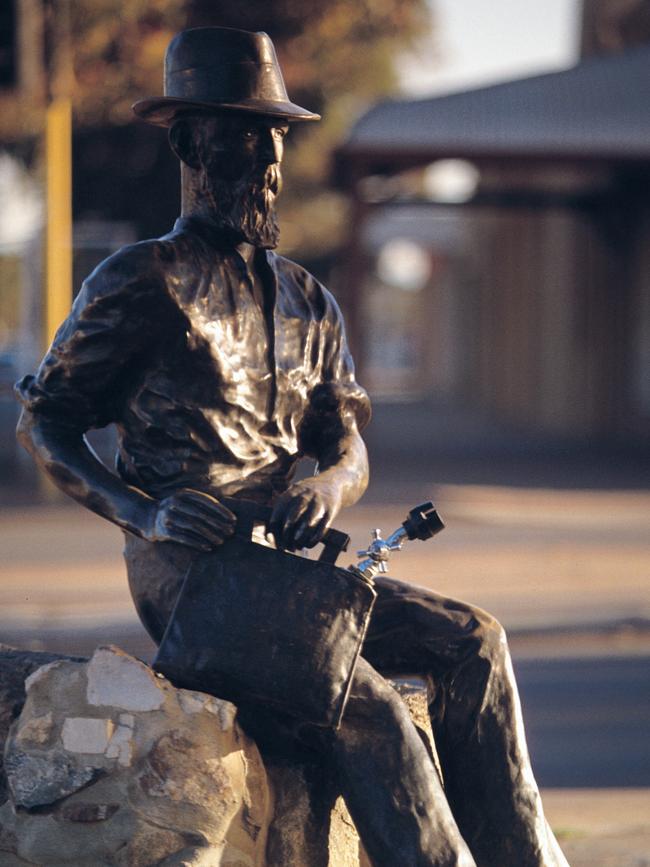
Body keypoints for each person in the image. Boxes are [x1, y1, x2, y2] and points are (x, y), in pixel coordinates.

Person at [16, 27, 569, 867]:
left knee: (475, 638)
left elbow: (346, 444)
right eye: (246, 131)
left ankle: (525, 856)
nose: (269, 155)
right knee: (369, 707)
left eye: (276, 133)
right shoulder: (142, 280)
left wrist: (330, 487)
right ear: (187, 139)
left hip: (290, 569)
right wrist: (144, 511)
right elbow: (45, 421)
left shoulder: (308, 299)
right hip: (196, 576)